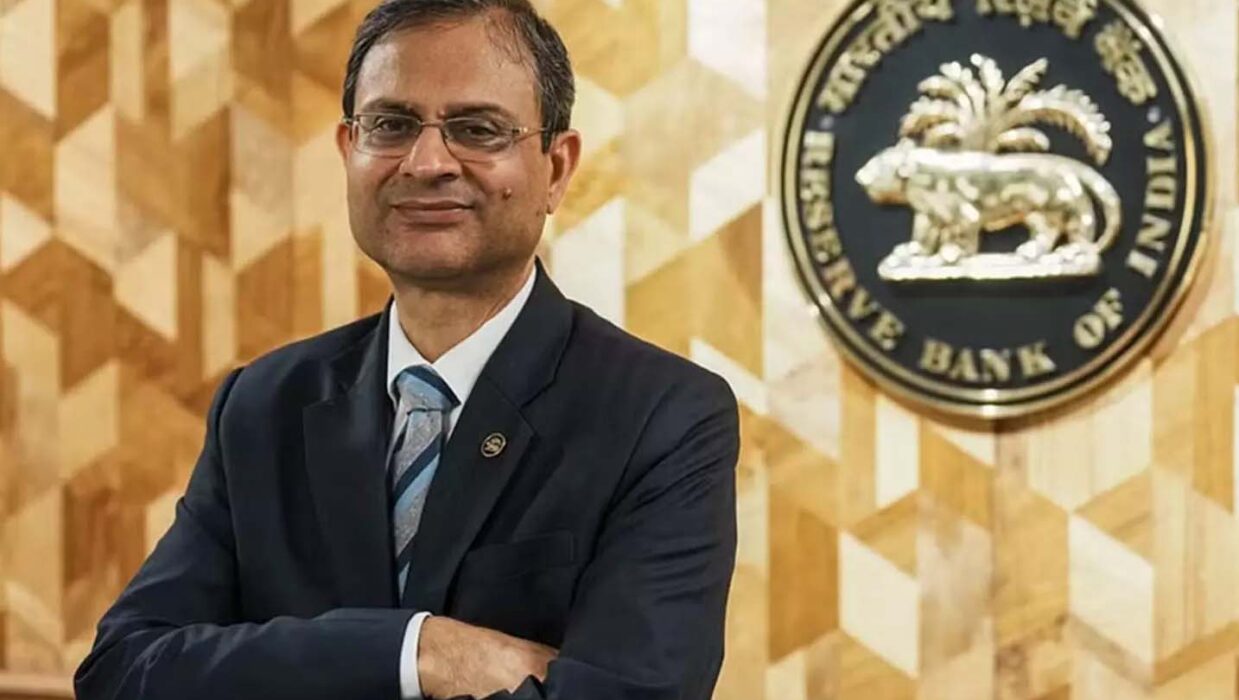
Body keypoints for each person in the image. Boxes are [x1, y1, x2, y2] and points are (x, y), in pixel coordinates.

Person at [72, 1, 740, 698]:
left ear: (557, 169)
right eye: (391, 125)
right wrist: (418, 649)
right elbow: (123, 672)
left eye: (477, 129)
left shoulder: (663, 417)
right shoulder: (263, 406)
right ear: (347, 151)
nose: (426, 162)